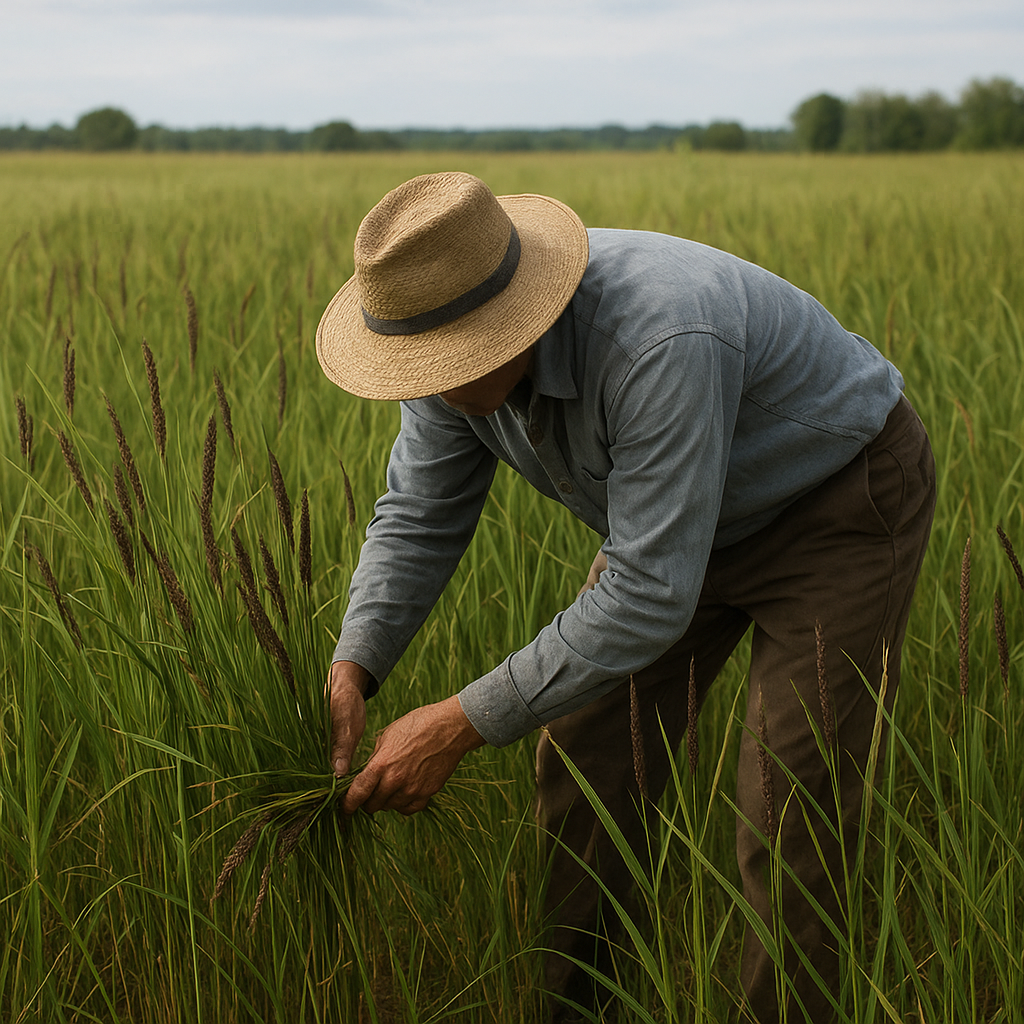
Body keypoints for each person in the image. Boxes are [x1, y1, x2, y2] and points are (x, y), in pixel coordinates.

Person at [315, 171, 936, 1023]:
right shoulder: (443, 354)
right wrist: (357, 664)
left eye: (458, 356)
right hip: (671, 528)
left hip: (834, 507)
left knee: (790, 804)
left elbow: (647, 593)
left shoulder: (660, 333)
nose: (438, 384)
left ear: (518, 316)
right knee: (584, 762)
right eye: (421, 364)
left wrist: (457, 723)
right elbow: (419, 516)